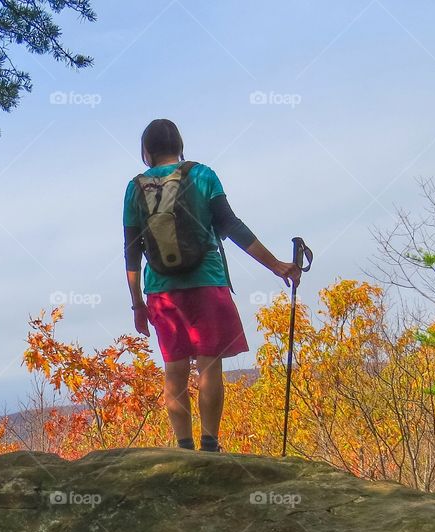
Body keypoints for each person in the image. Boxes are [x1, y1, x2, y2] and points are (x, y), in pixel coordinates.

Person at [123, 119, 301, 452]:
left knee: (174, 369)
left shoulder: (135, 188)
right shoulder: (203, 175)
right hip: (207, 281)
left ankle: (184, 447)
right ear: (179, 146)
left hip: (161, 291)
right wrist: (276, 264)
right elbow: (231, 226)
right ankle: (210, 445)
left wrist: (137, 305)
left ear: (146, 151)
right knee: (209, 365)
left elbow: (131, 253)